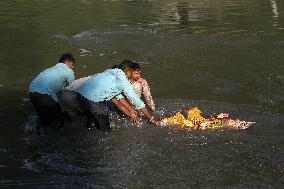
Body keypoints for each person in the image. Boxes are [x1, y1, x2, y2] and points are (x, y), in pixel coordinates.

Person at [77, 60, 159, 132]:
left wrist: (130, 109)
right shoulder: (123, 80)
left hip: (80, 94)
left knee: (92, 120)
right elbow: (137, 101)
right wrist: (150, 118)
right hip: (92, 100)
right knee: (105, 129)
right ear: (128, 71)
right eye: (132, 71)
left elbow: (118, 96)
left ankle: (90, 130)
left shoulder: (111, 71)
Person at [28, 53, 75, 128]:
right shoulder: (68, 70)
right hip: (44, 94)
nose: (72, 67)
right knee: (59, 121)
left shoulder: (49, 69)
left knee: (44, 120)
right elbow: (72, 89)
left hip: (32, 92)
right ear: (67, 62)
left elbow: (57, 90)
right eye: (72, 65)